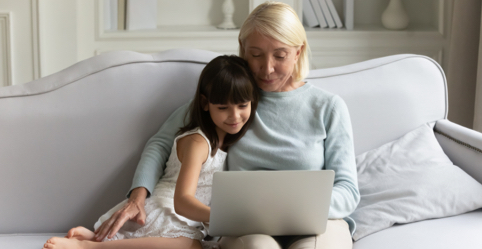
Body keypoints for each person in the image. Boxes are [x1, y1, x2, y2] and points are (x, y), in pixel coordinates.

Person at [95, 2, 360, 249]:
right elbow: (161, 144)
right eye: (256, 55)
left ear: (298, 52)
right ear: (243, 50)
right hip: (246, 227)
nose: (267, 69)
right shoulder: (229, 100)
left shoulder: (328, 107)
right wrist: (137, 197)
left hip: (317, 222)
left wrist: (291, 209)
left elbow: (348, 190)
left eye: (280, 56)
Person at [41, 55, 259, 249]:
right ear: (204, 103)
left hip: (186, 219)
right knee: (187, 245)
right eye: (223, 108)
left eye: (242, 105)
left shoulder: (226, 145)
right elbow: (182, 201)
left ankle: (99, 239)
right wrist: (222, 218)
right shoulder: (198, 142)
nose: (234, 116)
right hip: (168, 211)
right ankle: (90, 247)